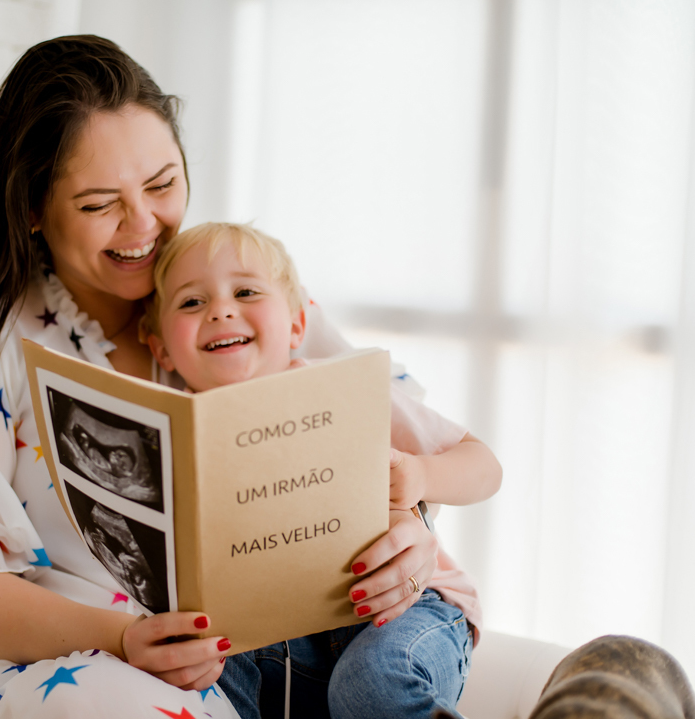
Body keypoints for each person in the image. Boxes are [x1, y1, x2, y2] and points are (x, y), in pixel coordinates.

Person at [0, 36, 500, 719]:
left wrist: (409, 529)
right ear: (31, 209)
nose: (145, 226)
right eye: (97, 204)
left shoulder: (227, 281)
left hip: (287, 640)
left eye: (164, 185)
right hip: (100, 664)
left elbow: (375, 431)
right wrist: (122, 636)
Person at [142, 222, 499, 718]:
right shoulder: (166, 435)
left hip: (400, 610)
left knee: (370, 684)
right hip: (266, 639)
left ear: (295, 325)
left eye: (246, 291)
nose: (221, 310)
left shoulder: (339, 387)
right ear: (160, 348)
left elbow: (484, 464)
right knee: (205, 677)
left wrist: (420, 473)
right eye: (191, 302)